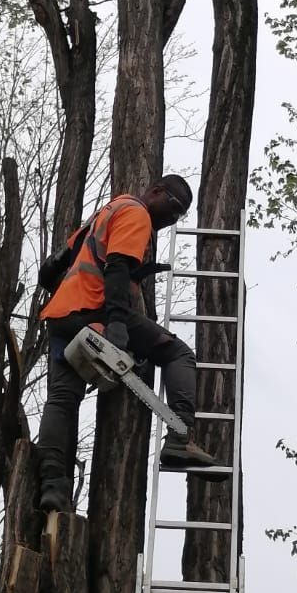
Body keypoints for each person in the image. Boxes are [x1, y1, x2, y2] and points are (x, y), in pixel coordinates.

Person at [35, 172, 219, 514]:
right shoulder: (137, 213)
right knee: (178, 353)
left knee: (62, 400)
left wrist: (57, 277)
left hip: (62, 317)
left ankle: (52, 487)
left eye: (179, 215)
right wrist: (117, 323)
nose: (172, 218)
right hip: (95, 310)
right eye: (173, 207)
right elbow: (117, 267)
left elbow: (56, 264)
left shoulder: (108, 210)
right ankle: (179, 438)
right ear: (155, 191)